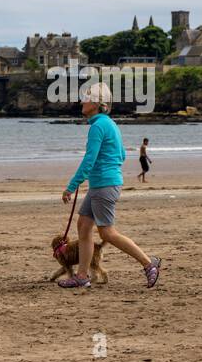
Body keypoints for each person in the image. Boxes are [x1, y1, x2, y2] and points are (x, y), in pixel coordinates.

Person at [58, 82, 160, 290]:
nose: (82, 101)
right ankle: (82, 276)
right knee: (84, 226)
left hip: (104, 185)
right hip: (104, 183)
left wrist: (71, 186)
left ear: (96, 104)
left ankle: (149, 264)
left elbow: (89, 159)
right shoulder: (109, 124)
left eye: (86, 98)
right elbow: (121, 155)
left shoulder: (97, 126)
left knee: (107, 233)